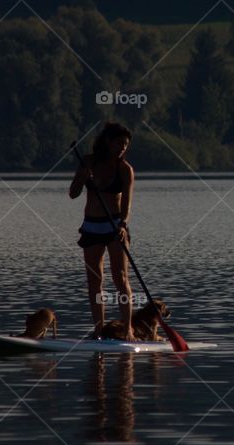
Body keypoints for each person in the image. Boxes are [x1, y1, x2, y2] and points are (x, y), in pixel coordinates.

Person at [69, 123, 136, 340]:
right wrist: (81, 177)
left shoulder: (125, 170)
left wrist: (123, 225)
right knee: (94, 280)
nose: (122, 148)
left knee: (120, 278)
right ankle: (98, 330)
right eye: (118, 143)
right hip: (91, 226)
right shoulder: (88, 161)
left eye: (125, 146)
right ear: (108, 142)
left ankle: (128, 330)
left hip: (115, 226)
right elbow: (73, 193)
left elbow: (126, 204)